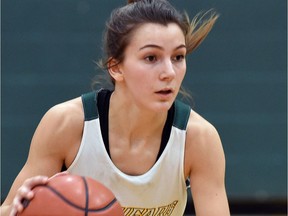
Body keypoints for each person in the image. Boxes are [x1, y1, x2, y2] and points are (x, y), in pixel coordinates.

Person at [1, 0, 230, 215]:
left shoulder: (199, 139)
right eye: (151, 57)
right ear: (116, 67)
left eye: (178, 57)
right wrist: (19, 210)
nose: (169, 72)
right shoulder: (67, 124)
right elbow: (7, 209)